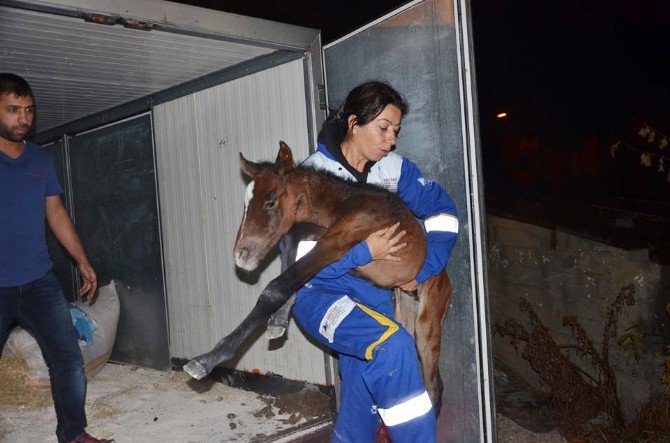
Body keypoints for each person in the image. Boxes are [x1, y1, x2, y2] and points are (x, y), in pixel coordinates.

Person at [290, 81, 459, 442]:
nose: (391, 140)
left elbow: (443, 213)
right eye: (383, 128)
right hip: (321, 298)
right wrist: (367, 252)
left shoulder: (394, 170)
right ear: (354, 123)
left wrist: (424, 269)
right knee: (393, 346)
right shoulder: (312, 178)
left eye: (396, 131)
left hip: (373, 302)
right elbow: (304, 269)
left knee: (362, 401)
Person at [0, 73, 113, 443]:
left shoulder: (40, 159)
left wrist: (82, 259)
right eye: (13, 110)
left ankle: (73, 433)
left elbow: (56, 213)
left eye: (28, 110)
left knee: (67, 359)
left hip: (38, 281)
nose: (23, 119)